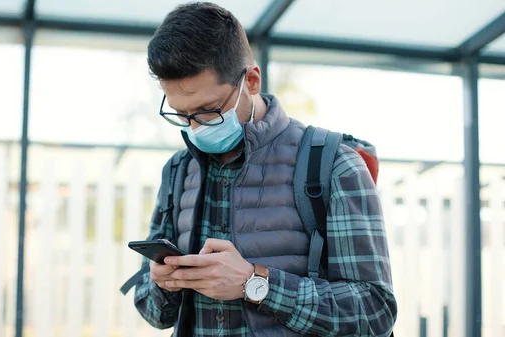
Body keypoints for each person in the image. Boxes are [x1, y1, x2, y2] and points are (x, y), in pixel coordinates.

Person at [132, 2, 397, 336]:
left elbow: (374, 312)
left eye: (208, 111)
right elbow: (152, 311)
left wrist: (254, 283)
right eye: (181, 115)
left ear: (252, 81)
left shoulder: (334, 165)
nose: (195, 129)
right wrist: (164, 285)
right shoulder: (178, 171)